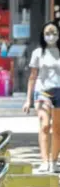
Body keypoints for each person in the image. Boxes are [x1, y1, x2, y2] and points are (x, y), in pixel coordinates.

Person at [23, 21, 60, 173]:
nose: (51, 36)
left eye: (54, 33)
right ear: (43, 35)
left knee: (57, 129)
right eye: (47, 33)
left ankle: (53, 161)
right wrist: (28, 99)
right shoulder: (38, 53)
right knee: (45, 125)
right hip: (42, 92)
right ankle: (44, 160)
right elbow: (32, 76)